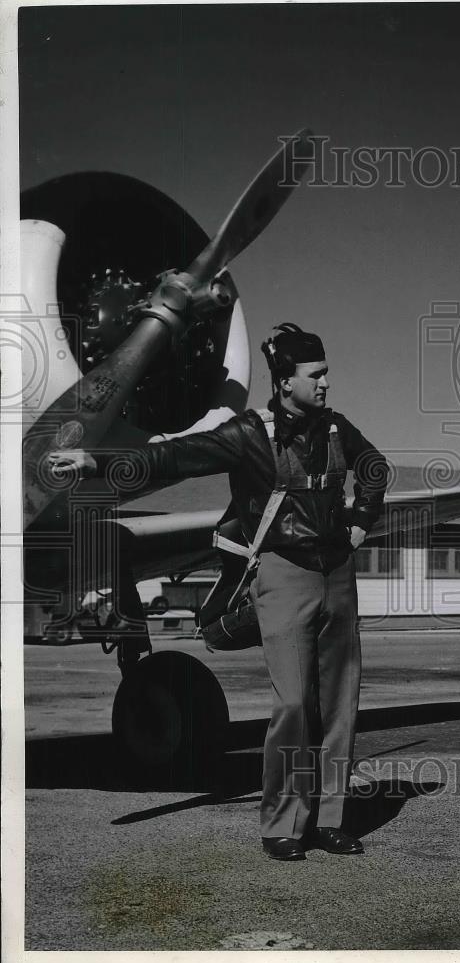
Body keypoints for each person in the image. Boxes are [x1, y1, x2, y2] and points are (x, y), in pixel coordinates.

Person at [48, 323, 387, 863]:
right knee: (295, 705)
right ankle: (283, 825)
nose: (325, 384)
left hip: (338, 577)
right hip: (282, 574)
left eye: (325, 374)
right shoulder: (248, 434)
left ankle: (330, 820)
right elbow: (173, 458)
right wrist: (100, 461)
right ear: (284, 381)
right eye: (315, 375)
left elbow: (375, 469)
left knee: (340, 708)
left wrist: (360, 524)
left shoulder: (337, 428)